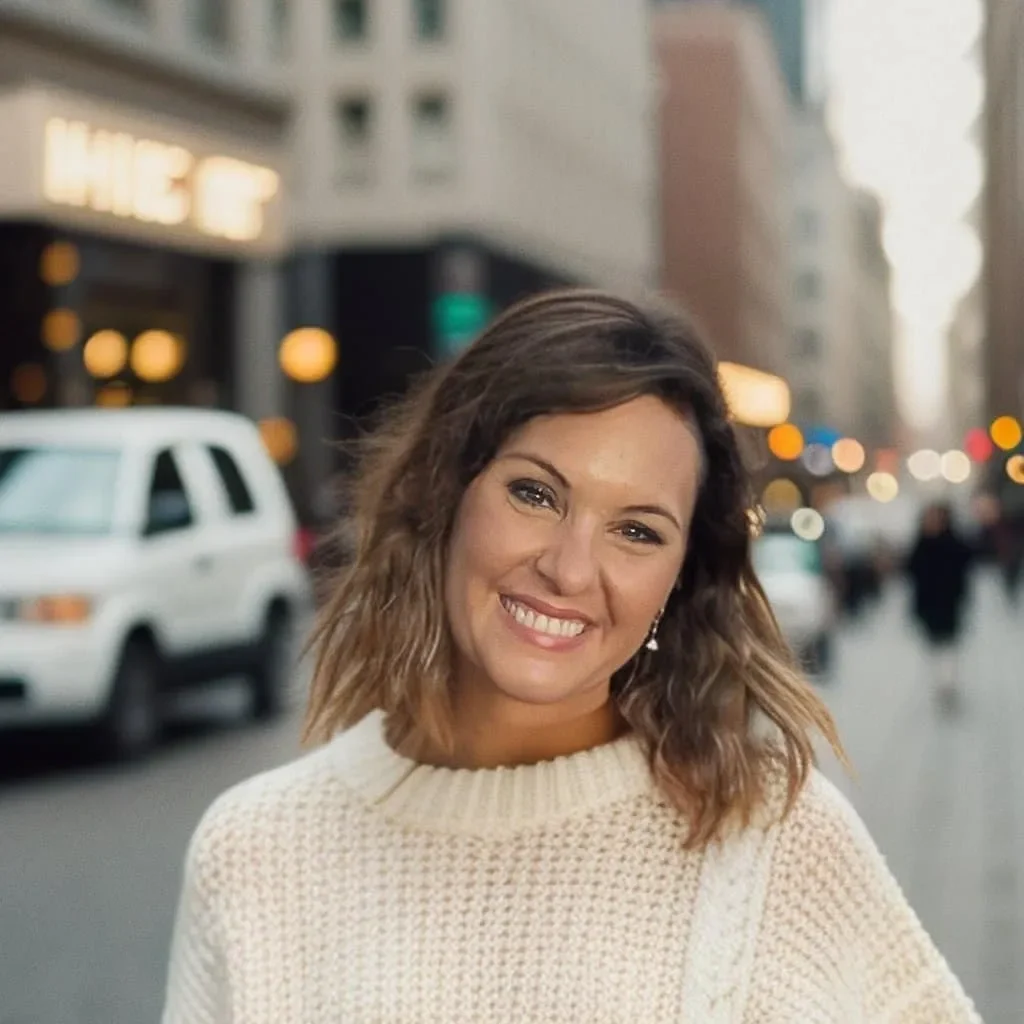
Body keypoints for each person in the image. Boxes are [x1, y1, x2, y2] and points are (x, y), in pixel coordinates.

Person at [163, 290, 979, 1022]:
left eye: (636, 532)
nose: (569, 569)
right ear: (446, 494)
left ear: (678, 579)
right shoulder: (255, 850)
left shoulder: (770, 835)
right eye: (535, 493)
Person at [906, 502, 975, 710]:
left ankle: (947, 682)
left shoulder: (953, 544)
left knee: (948, 645)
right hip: (928, 605)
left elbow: (965, 565)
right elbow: (910, 570)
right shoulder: (921, 544)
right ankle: (943, 681)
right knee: (935, 646)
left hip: (949, 603)